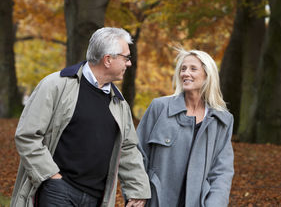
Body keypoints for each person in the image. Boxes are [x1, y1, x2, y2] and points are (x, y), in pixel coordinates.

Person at [11, 27, 151, 207]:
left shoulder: (119, 103)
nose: (129, 63)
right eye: (126, 57)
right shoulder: (56, 85)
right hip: (58, 191)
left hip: (96, 198)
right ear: (108, 59)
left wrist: (137, 189)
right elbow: (27, 135)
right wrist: (52, 176)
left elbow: (128, 148)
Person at [137, 48, 234, 207]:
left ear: (207, 75)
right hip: (155, 201)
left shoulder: (222, 120)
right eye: (183, 68)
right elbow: (136, 153)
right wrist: (138, 192)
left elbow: (222, 171)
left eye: (193, 69)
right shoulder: (159, 107)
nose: (185, 73)